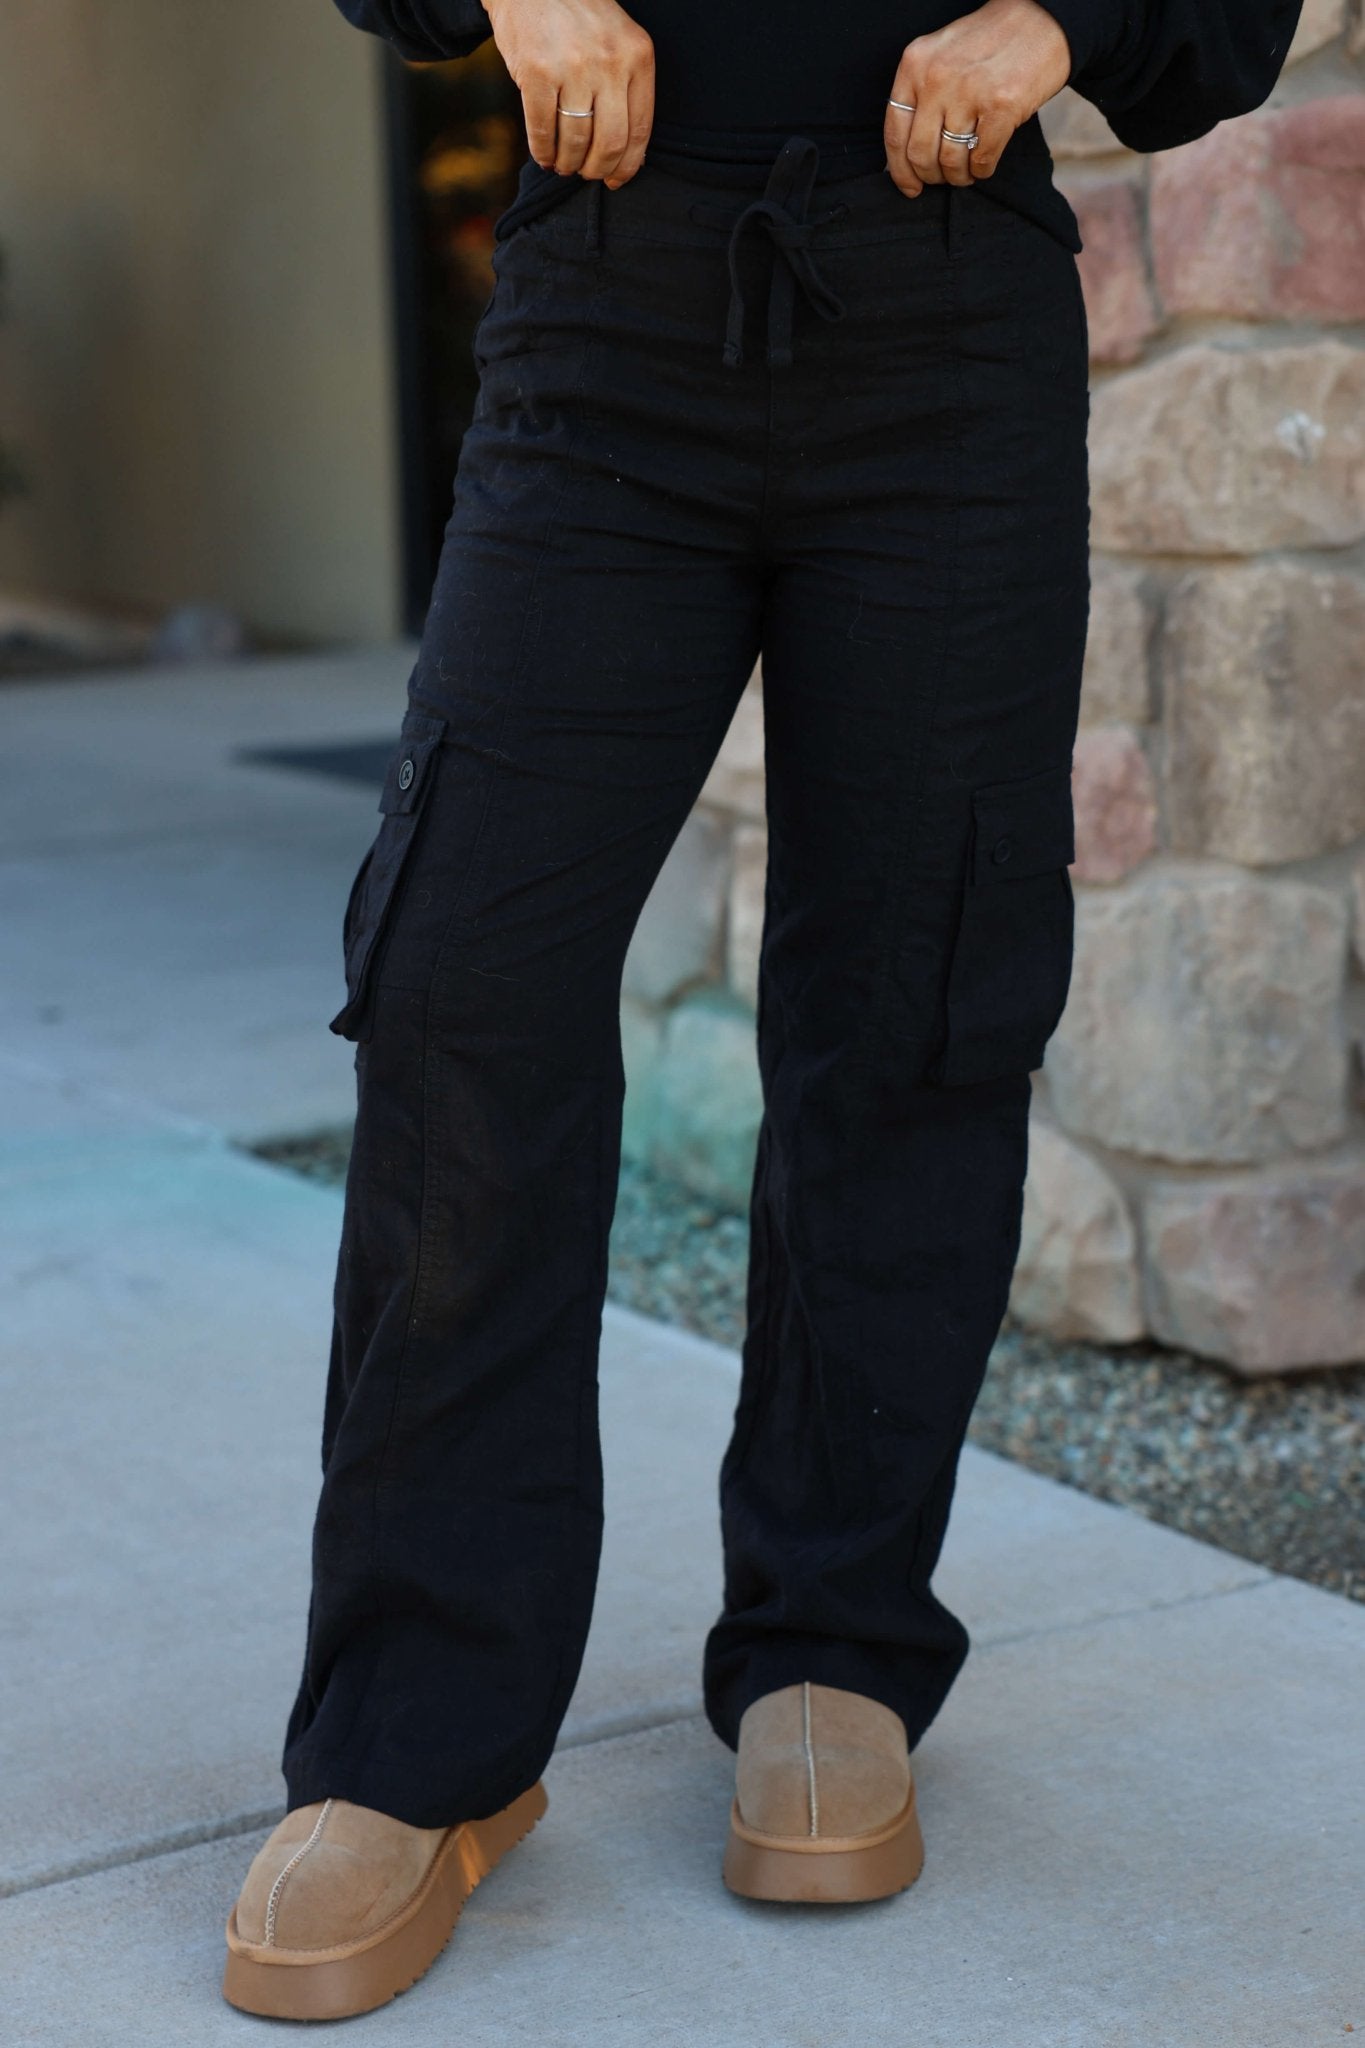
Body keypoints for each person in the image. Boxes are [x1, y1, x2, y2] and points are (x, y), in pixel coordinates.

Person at [222, 0, 1303, 2021]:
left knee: (908, 1005)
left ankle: (828, 1643)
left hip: (945, 330)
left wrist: (1050, 26)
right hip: (607, 309)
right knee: (464, 981)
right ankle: (414, 1737)